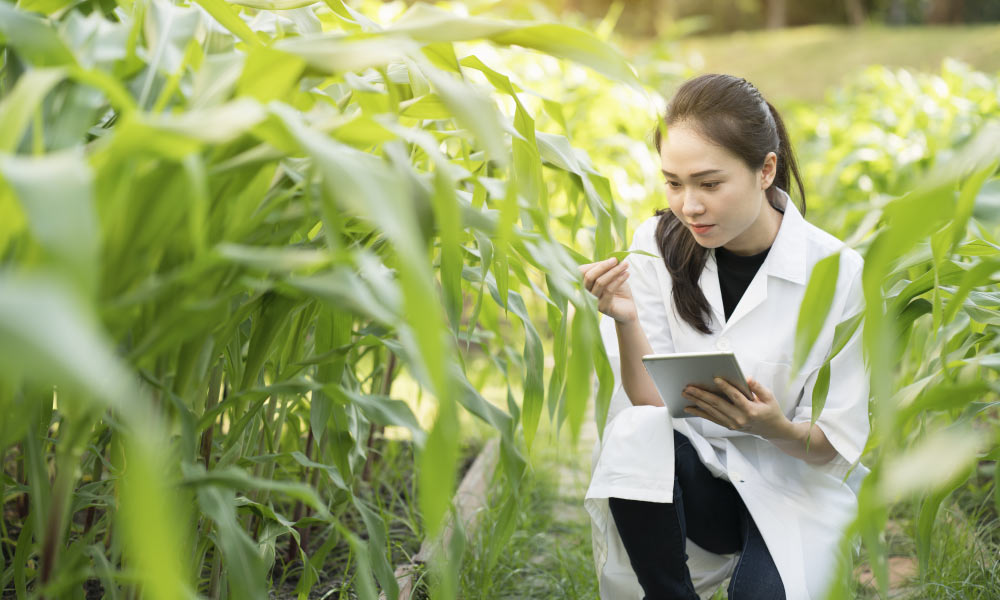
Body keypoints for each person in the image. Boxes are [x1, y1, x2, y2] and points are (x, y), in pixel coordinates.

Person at [578, 74, 871, 600]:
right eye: (673, 182)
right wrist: (625, 318)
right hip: (698, 487)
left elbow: (837, 442)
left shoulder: (836, 272)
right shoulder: (656, 245)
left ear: (765, 170)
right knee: (632, 431)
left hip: (792, 489)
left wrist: (774, 426)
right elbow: (648, 402)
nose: (688, 206)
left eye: (709, 184)